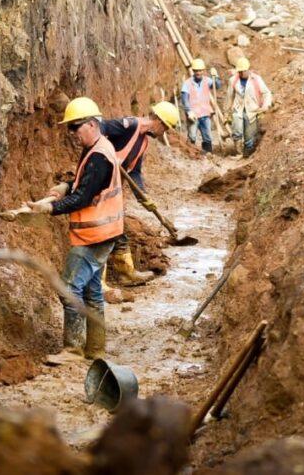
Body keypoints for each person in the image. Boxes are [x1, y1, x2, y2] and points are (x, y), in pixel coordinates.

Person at [26, 96, 123, 359]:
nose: (72, 134)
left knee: (69, 287)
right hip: (104, 233)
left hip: (95, 236)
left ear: (91, 124)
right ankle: (95, 349)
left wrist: (51, 208)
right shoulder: (98, 148)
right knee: (92, 290)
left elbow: (84, 197)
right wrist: (64, 187)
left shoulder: (99, 156)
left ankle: (73, 348)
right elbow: (84, 184)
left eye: (75, 127)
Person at [99, 101, 179, 286]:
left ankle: (126, 272)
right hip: (99, 183)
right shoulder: (129, 125)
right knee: (102, 232)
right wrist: (108, 153)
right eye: (165, 129)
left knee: (118, 228)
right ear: (158, 121)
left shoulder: (143, 142)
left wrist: (144, 197)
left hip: (113, 189)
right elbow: (100, 128)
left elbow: (134, 172)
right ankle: (99, 283)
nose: (163, 133)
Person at [226, 57, 273, 157]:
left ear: (248, 69)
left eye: (244, 71)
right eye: (240, 71)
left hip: (252, 111)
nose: (242, 73)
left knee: (249, 136)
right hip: (238, 109)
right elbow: (229, 96)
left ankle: (247, 155)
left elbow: (267, 93)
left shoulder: (256, 79)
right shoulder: (233, 80)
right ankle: (238, 153)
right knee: (237, 132)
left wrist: (265, 105)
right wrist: (226, 112)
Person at [180, 58, 220, 153]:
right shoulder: (187, 83)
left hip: (205, 114)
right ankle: (191, 153)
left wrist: (216, 77)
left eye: (200, 70)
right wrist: (188, 110)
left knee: (207, 136)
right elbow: (184, 98)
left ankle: (208, 154)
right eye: (196, 71)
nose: (198, 72)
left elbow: (217, 86)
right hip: (193, 114)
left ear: (203, 71)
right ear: (193, 71)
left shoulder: (207, 80)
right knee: (192, 136)